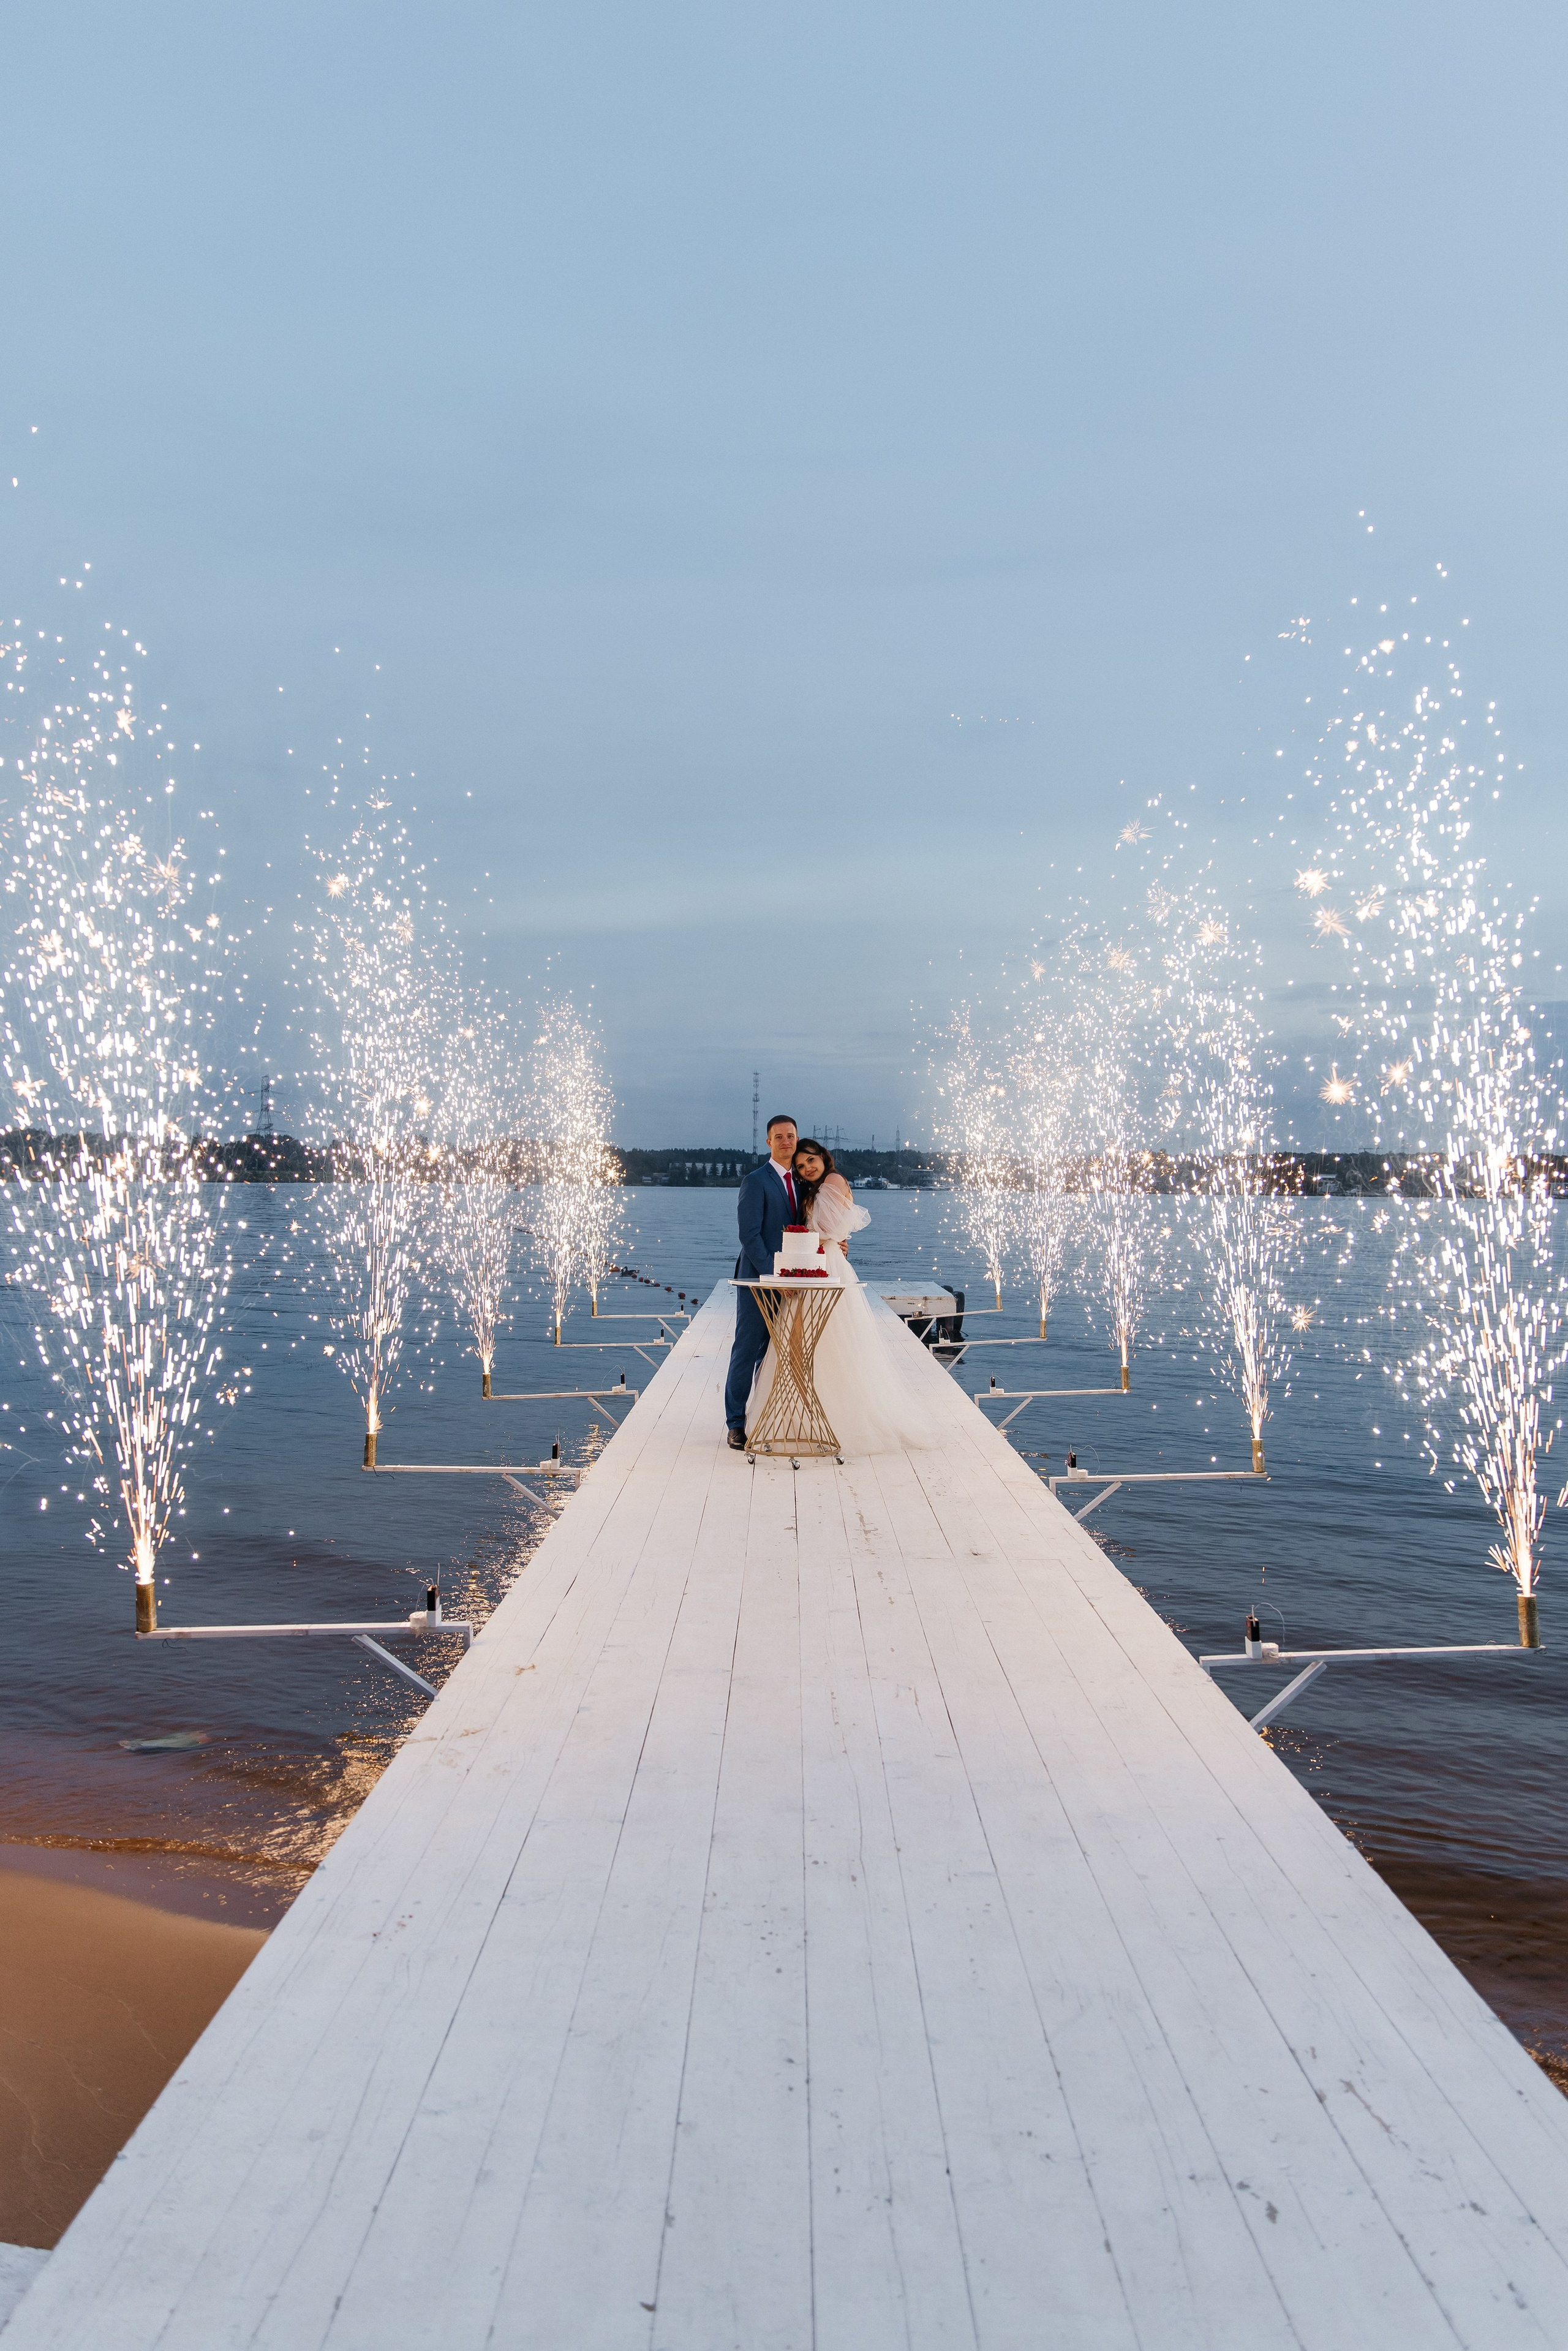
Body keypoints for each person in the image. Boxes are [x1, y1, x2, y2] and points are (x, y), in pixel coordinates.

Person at [739, 1136, 944, 1456]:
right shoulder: (812, 1190)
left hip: (825, 1266)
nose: (807, 1167)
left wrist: (821, 1241)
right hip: (812, 1264)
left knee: (823, 1342)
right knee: (798, 1342)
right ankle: (799, 1414)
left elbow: (827, 1228)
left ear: (823, 1157)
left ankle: (831, 1416)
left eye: (811, 1160)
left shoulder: (833, 1180)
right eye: (801, 1165)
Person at [724, 1114, 802, 1447]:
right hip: (758, 1279)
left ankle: (767, 1414)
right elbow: (749, 1235)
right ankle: (736, 1423)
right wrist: (774, 1273)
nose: (786, 1141)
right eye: (779, 1136)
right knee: (747, 1348)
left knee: (776, 1352)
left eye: (791, 1136)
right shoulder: (755, 1181)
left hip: (795, 1282)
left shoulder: (802, 1182)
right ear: (768, 1142)